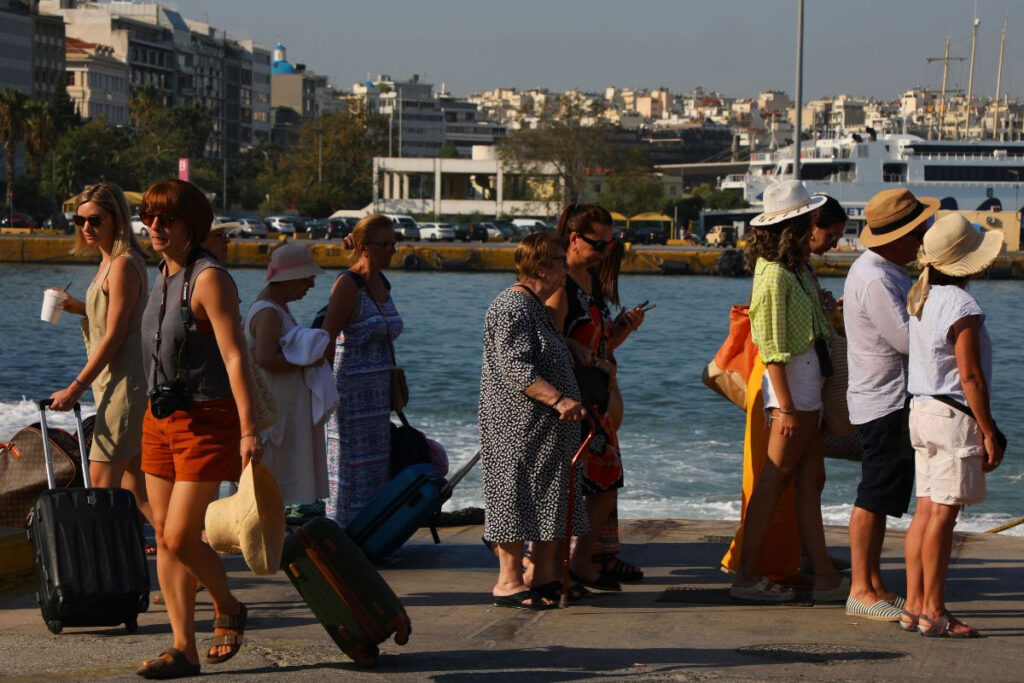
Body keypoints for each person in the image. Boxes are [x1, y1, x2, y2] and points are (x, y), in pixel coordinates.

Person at [136, 179, 260, 679]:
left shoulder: (210, 279)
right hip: (158, 419)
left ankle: (228, 604)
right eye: (149, 216)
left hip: (207, 420)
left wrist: (248, 429)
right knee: (164, 538)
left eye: (168, 218)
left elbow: (235, 357)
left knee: (184, 536)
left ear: (193, 224)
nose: (156, 226)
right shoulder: (163, 273)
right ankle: (183, 649)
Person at [729, 180, 846, 603]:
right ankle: (746, 576)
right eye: (810, 218)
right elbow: (773, 348)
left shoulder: (792, 270)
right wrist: (788, 409)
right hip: (793, 394)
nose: (816, 222)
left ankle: (825, 576)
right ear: (795, 224)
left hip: (804, 391)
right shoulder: (774, 274)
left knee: (809, 481)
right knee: (772, 483)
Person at [904, 213, 1004, 637]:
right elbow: (970, 376)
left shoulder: (921, 296)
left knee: (925, 511)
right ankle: (934, 610)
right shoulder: (963, 306)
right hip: (951, 415)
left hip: (922, 410)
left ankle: (913, 605)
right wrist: (989, 429)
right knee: (944, 517)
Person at [842, 188, 939, 623]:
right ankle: (861, 588)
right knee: (874, 494)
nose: (923, 238)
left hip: (886, 395)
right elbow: (905, 339)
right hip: (884, 399)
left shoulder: (885, 271)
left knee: (884, 496)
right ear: (898, 237)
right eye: (918, 231)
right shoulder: (878, 277)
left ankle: (873, 582)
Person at [480, 232, 588, 609]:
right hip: (517, 426)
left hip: (545, 429)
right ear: (540, 266)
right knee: (515, 497)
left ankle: (543, 577)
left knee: (548, 499)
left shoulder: (536, 306)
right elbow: (514, 365)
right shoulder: (512, 306)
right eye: (560, 260)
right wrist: (558, 399)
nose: (566, 267)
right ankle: (508, 582)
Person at [549, 210, 645, 587]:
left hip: (595, 397)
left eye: (610, 244)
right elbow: (550, 343)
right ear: (574, 238)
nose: (605, 252)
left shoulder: (589, 283)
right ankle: (575, 561)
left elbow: (598, 343)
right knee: (592, 482)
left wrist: (622, 330)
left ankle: (582, 559)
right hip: (575, 400)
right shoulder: (561, 287)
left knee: (605, 481)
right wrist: (577, 348)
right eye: (598, 244)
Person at [48, 182, 152, 529]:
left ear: (116, 219)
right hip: (119, 384)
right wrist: (77, 306)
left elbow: (115, 336)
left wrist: (74, 387)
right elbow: (112, 318)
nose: (86, 228)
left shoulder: (122, 264)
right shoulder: (110, 260)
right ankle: (179, 558)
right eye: (79, 220)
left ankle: (102, 573)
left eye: (95, 220)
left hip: (124, 386)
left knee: (102, 486)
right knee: (137, 493)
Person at [321, 214, 402, 526]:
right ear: (365, 247)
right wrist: (324, 393)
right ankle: (341, 532)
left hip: (378, 394)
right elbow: (327, 338)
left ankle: (369, 530)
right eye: (385, 244)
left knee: (375, 467)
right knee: (347, 466)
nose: (392, 250)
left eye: (394, 243)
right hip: (348, 394)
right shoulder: (347, 285)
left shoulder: (382, 282)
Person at [244, 243, 330, 505]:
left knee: (276, 484)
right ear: (288, 278)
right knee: (271, 482)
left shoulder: (274, 306)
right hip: (274, 413)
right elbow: (265, 358)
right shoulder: (269, 312)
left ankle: (272, 536)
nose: (311, 286)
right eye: (307, 279)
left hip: (279, 409)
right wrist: (308, 362)